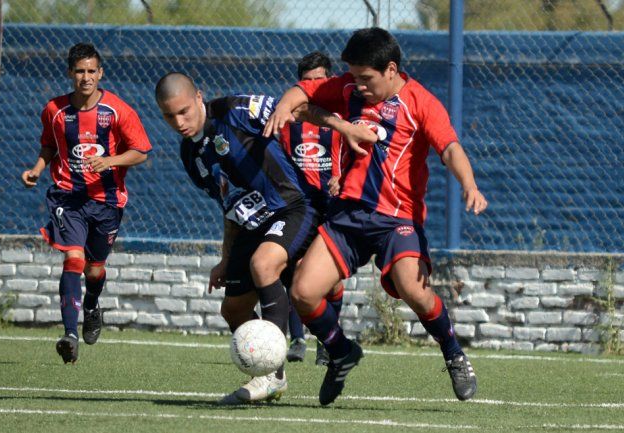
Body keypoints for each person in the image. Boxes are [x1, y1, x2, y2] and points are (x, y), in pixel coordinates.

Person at [264, 27, 488, 406]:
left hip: (397, 219)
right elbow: (303, 92)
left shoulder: (421, 103)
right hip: (348, 217)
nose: (358, 85)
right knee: (302, 292)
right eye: (353, 76)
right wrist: (287, 106)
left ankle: (453, 353)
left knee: (413, 289)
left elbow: (449, 147)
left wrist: (469, 184)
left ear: (391, 69)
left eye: (366, 78)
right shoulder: (349, 89)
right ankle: (340, 352)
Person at [155, 73, 320, 404]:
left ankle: (271, 375)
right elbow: (228, 205)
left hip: (291, 207)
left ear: (199, 96)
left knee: (264, 265)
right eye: (170, 116)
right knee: (233, 310)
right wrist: (226, 258)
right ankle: (271, 368)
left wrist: (346, 130)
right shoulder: (190, 155)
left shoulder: (234, 110)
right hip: (250, 225)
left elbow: (297, 108)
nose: (179, 122)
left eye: (184, 111)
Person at [21, 42, 152, 364]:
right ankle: (69, 335)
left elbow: (141, 151)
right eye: (80, 71)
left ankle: (91, 305)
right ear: (70, 73)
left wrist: (110, 161)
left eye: (91, 71)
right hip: (68, 197)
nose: (86, 77)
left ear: (100, 73)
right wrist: (37, 169)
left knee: (95, 270)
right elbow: (49, 145)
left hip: (107, 201)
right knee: (74, 259)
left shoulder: (118, 111)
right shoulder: (55, 110)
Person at [280, 51, 347, 366]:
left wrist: (342, 177)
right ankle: (297, 340)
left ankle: (327, 340)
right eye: (307, 81)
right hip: (300, 205)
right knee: (295, 269)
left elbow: (359, 154)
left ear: (329, 80)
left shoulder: (341, 117)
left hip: (333, 203)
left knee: (331, 279)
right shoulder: (288, 120)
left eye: (319, 80)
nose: (312, 86)